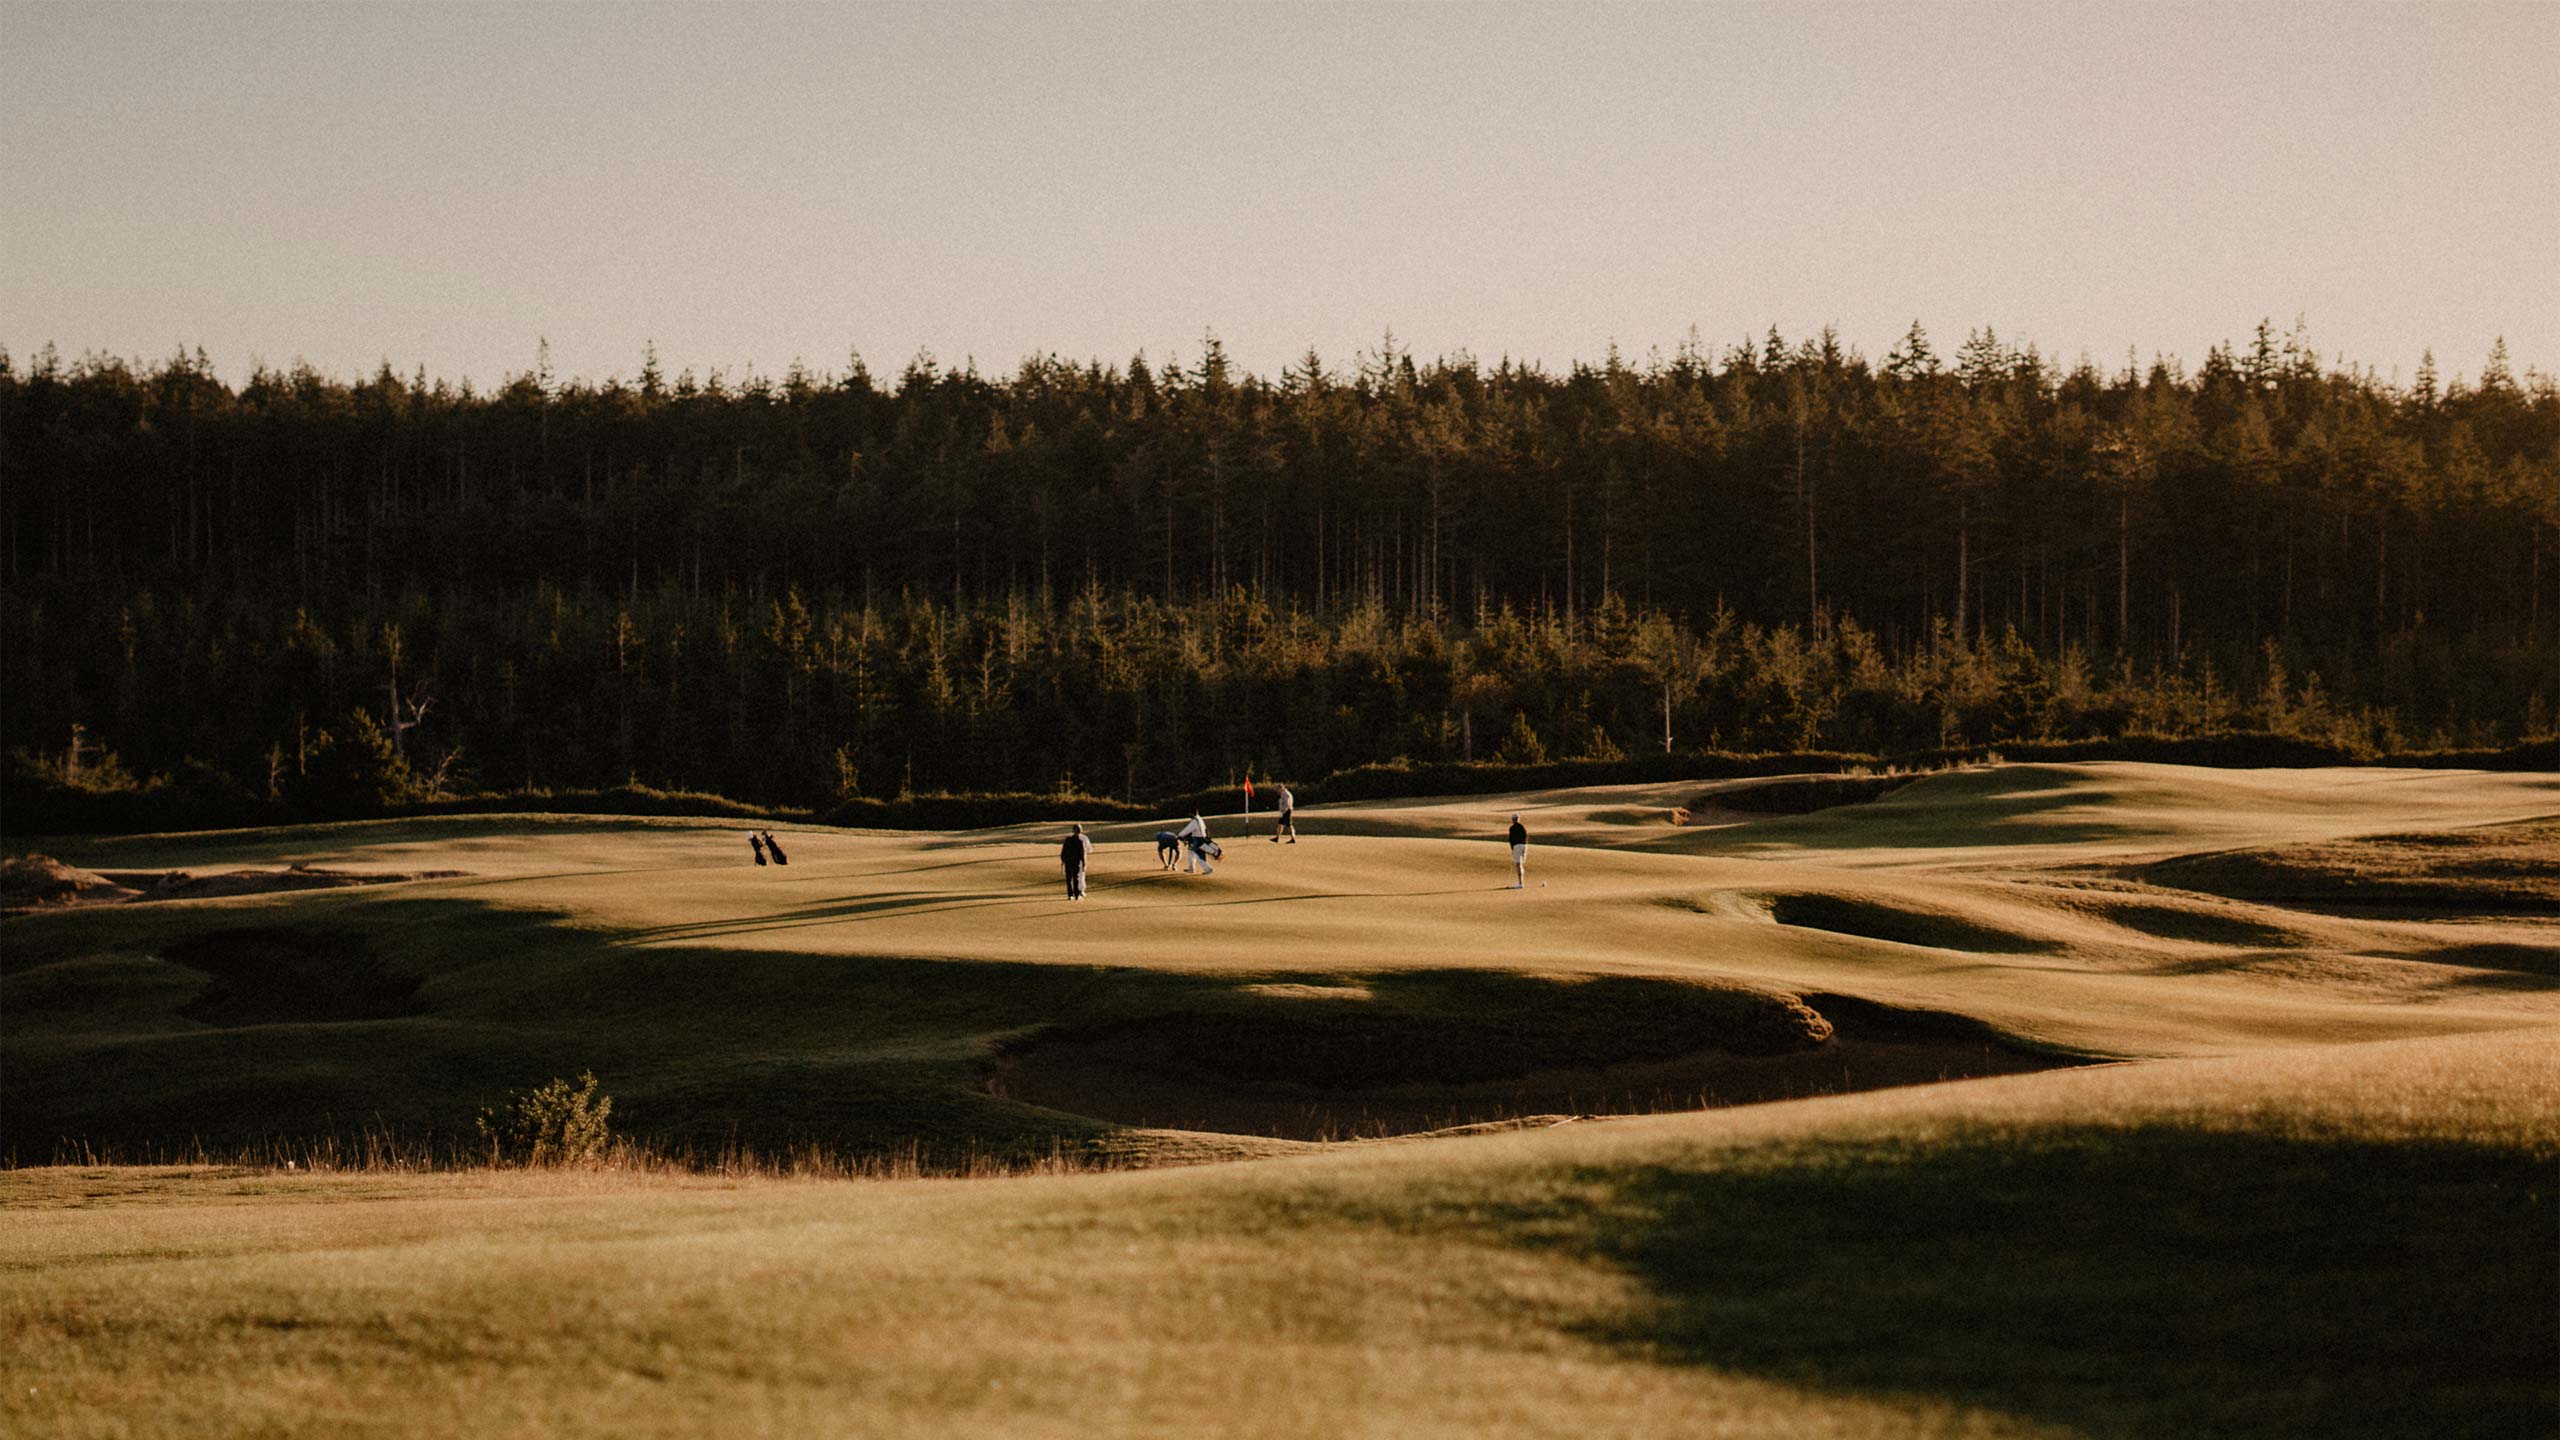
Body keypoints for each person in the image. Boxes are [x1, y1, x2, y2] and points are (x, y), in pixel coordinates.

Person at [1060, 823, 1093, 900]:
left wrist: (1063, 860)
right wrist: (1084, 863)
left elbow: (1063, 851)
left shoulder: (1067, 839)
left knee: (1069, 879)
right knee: (1076, 878)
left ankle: (1070, 895)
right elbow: (1083, 853)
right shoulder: (1080, 840)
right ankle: (1077, 894)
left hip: (1068, 862)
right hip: (1076, 862)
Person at [1507, 813, 1528, 889]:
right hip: (1524, 846)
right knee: (1521, 864)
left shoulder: (1512, 828)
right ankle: (1521, 882)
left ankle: (1520, 883)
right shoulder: (1522, 827)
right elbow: (1525, 836)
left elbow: (1511, 840)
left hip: (1517, 846)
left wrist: (1512, 849)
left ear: (1513, 820)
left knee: (1518, 864)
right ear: (1518, 819)